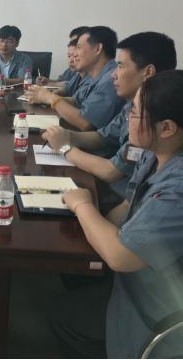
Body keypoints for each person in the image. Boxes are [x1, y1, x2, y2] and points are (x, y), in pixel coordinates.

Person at [50, 70, 183, 358]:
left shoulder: (177, 189)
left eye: (134, 113)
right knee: (75, 267)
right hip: (140, 275)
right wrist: (91, 225)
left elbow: (120, 256)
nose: (127, 118)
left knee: (62, 316)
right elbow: (127, 206)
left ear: (167, 128)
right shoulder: (154, 153)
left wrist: (83, 205)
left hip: (155, 306)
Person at [42, 32, 177, 213]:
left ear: (148, 72)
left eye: (120, 66)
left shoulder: (153, 121)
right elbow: (103, 137)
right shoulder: (132, 105)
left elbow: (112, 172)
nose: (114, 74)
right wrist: (67, 135)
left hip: (115, 195)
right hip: (120, 199)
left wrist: (65, 148)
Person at [27, 26, 125, 130]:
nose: (74, 54)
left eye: (78, 47)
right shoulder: (95, 75)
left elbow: (85, 123)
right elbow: (76, 102)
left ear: (97, 49)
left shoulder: (111, 79)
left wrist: (50, 98)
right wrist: (44, 98)